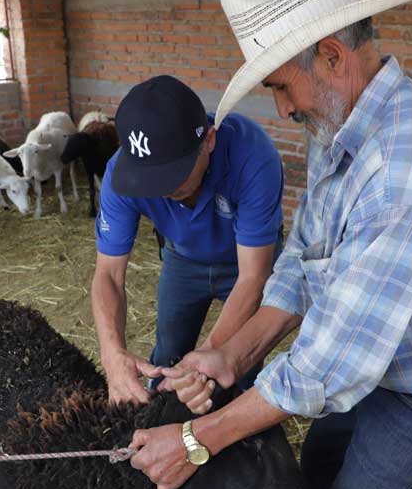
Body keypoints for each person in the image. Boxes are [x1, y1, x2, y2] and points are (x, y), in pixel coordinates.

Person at [128, 0, 412, 489]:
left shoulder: (402, 171)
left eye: (283, 87)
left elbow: (328, 368)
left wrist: (193, 441)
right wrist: (231, 355)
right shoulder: (341, 126)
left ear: (332, 56)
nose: (282, 109)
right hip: (385, 371)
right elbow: (305, 255)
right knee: (316, 471)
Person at [91, 75, 284, 407]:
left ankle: (250, 437)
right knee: (167, 357)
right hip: (182, 259)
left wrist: (210, 356)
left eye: (172, 175)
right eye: (146, 178)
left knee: (242, 362)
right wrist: (111, 353)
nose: (160, 190)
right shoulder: (118, 176)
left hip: (246, 264)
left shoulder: (252, 155)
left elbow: (254, 277)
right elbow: (108, 273)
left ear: (208, 141)